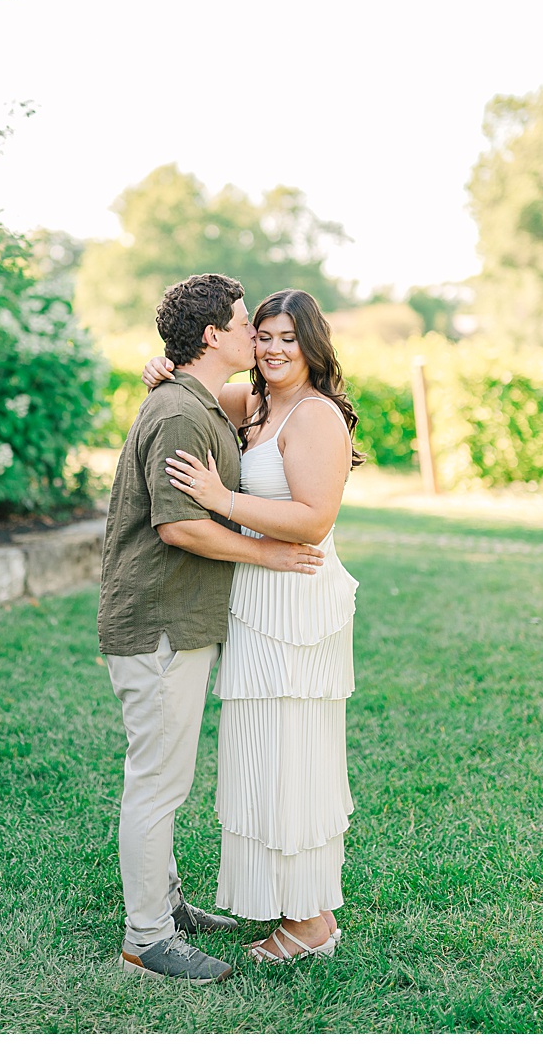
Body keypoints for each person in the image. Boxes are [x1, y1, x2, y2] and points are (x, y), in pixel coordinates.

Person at [97, 273, 327, 984]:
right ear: (212, 336)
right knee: (157, 783)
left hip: (175, 620)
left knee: (162, 775)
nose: (254, 338)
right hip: (160, 622)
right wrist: (267, 553)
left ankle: (166, 903)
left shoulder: (195, 400)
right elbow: (178, 524)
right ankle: (146, 938)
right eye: (243, 324)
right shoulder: (180, 412)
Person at [143, 287, 360, 963]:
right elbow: (195, 393)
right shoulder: (256, 403)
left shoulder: (317, 415)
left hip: (294, 601)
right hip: (255, 600)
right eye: (262, 334)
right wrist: (158, 372)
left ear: (312, 344)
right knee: (264, 758)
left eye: (287, 338)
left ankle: (311, 921)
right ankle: (299, 908)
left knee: (292, 754)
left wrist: (220, 498)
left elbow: (314, 519)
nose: (270, 348)